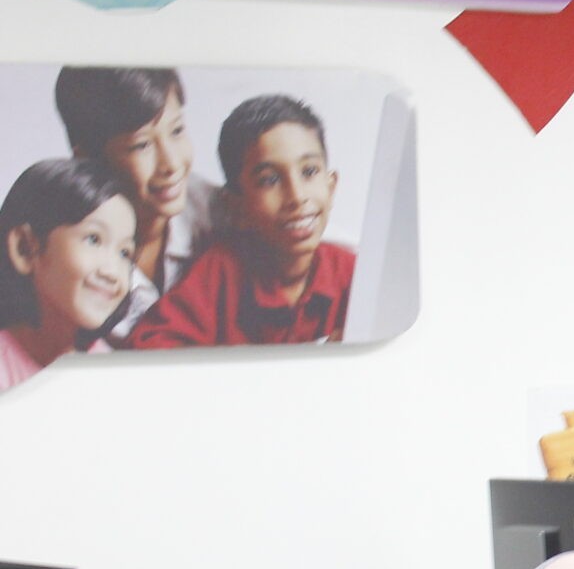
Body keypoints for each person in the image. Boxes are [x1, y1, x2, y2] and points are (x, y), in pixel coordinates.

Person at [128, 94, 353, 349]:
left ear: (331, 187)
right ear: (236, 207)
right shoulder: (220, 273)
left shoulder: (354, 275)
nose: (297, 196)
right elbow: (148, 347)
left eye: (309, 171)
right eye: (269, 180)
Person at [53, 66, 218, 344]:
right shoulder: (62, 257)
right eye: (142, 145)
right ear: (87, 160)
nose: (171, 163)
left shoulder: (220, 212)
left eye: (177, 130)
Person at [0, 158, 135, 392]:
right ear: (25, 248)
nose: (112, 273)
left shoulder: (106, 368)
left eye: (125, 253)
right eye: (93, 239)